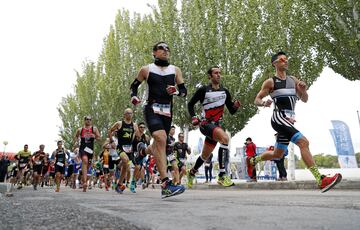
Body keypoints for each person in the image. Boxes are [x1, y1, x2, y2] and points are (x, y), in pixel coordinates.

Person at [253, 51, 342, 192]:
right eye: (282, 59)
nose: (286, 61)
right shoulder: (271, 82)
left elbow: (305, 99)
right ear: (274, 63)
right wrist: (264, 103)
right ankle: (321, 179)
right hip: (278, 118)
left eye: (287, 59)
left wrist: (303, 90)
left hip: (289, 120)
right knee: (304, 142)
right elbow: (256, 99)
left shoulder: (293, 80)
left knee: (278, 154)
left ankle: (254, 160)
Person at [130, 41, 187, 198]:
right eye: (161, 48)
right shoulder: (146, 70)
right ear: (154, 53)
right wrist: (134, 96)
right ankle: (166, 184)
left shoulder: (175, 70)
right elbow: (134, 86)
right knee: (161, 138)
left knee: (158, 144)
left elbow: (183, 91)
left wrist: (176, 91)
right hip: (152, 108)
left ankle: (142, 151)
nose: (165, 51)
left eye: (167, 48)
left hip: (168, 112)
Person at [187, 66, 241, 188]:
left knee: (205, 155)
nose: (218, 75)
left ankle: (191, 172)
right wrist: (194, 117)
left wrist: (236, 106)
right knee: (225, 138)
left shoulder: (225, 91)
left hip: (216, 126)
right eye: (215, 73)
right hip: (205, 124)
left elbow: (231, 110)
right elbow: (190, 104)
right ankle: (222, 175)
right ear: (210, 76)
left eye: (220, 73)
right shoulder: (203, 90)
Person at [108, 108, 140, 194]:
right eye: (128, 113)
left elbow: (138, 136)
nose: (130, 115)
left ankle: (119, 184)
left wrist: (138, 136)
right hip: (120, 147)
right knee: (125, 160)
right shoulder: (119, 123)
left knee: (126, 166)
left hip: (129, 149)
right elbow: (110, 131)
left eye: (131, 113)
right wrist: (111, 141)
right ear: (124, 114)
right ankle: (119, 171)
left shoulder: (134, 125)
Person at [74, 115, 101, 192]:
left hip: (90, 150)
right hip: (83, 149)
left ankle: (81, 177)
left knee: (87, 166)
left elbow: (99, 138)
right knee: (85, 161)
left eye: (90, 119)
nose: (88, 120)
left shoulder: (94, 129)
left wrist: (95, 136)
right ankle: (85, 182)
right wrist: (76, 142)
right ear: (84, 120)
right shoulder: (80, 129)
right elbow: (76, 137)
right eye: (87, 119)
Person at [131, 122, 151, 192]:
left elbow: (148, 147)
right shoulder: (134, 135)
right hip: (133, 153)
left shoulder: (146, 137)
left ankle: (137, 181)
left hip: (141, 155)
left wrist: (150, 156)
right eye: (141, 127)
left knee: (141, 171)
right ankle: (132, 184)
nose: (142, 128)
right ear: (138, 128)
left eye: (143, 127)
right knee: (138, 167)